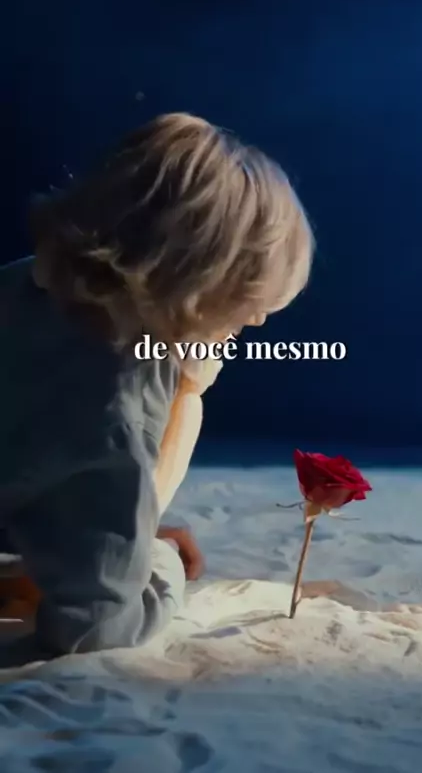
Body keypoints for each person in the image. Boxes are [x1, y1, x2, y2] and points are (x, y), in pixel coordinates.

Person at [0, 112, 314, 664]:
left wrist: (116, 531)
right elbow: (95, 630)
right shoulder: (116, 396)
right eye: (246, 299)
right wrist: (156, 560)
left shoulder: (27, 280)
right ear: (199, 276)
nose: (256, 322)